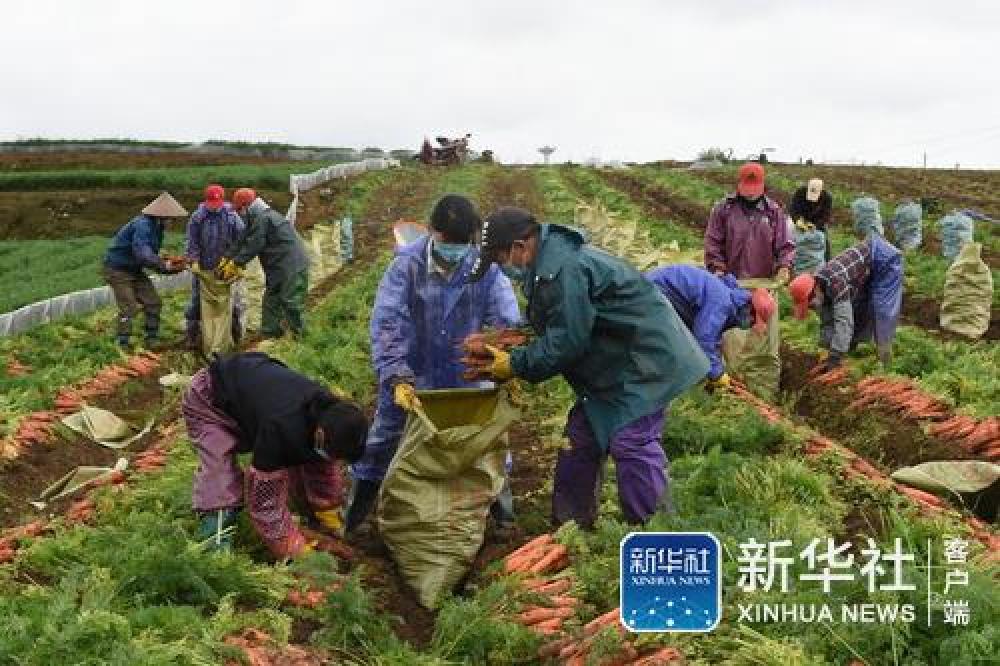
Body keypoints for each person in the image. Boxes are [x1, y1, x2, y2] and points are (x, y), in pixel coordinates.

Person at [467, 207, 709, 528]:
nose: (502, 268)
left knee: (630, 442)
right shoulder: (548, 265)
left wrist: (515, 364)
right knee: (581, 439)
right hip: (615, 362)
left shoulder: (563, 269)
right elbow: (559, 320)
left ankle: (658, 537)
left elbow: (568, 341)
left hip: (645, 361)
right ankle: (571, 530)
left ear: (520, 247)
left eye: (500, 259)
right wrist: (512, 338)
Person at [345, 194, 520, 532]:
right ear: (432, 232)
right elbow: (386, 323)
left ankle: (504, 519)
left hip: (467, 374)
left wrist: (505, 359)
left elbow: (505, 319)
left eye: (462, 242)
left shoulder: (485, 267)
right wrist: (396, 376)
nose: (454, 249)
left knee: (487, 442)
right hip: (414, 373)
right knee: (384, 439)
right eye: (446, 241)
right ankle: (355, 517)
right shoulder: (406, 265)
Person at [182, 352, 368, 557]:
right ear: (320, 434)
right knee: (220, 477)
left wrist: (328, 513)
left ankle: (311, 518)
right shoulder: (280, 428)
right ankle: (212, 549)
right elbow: (264, 504)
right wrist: (295, 550)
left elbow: (320, 467)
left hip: (251, 385)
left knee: (312, 459)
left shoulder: (329, 414)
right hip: (210, 398)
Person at [645, 264, 776, 388]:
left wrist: (714, 369)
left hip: (663, 294)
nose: (750, 325)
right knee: (663, 351)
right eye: (753, 320)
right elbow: (705, 339)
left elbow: (714, 338)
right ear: (749, 309)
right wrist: (716, 374)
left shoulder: (730, 301)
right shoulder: (721, 302)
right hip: (655, 293)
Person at [788, 235, 903, 373]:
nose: (812, 308)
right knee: (858, 306)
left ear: (814, 290)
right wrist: (825, 349)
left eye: (810, 305)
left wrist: (835, 356)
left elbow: (844, 321)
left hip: (884, 258)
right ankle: (849, 348)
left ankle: (885, 362)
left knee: (881, 310)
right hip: (867, 266)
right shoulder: (821, 287)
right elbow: (827, 320)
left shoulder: (835, 283)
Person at [218, 188, 309, 338]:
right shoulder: (256, 218)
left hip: (291, 264)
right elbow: (242, 239)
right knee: (271, 300)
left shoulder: (263, 219)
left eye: (239, 209)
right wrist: (227, 258)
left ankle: (300, 336)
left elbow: (254, 244)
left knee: (290, 300)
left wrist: (236, 263)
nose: (239, 213)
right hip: (277, 266)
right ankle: (270, 334)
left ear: (246, 206)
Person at [102, 192, 188, 348]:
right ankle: (123, 342)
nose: (172, 223)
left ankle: (151, 338)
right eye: (171, 219)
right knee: (129, 307)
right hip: (118, 270)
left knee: (153, 302)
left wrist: (168, 266)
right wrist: (165, 265)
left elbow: (151, 255)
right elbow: (143, 254)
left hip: (134, 269)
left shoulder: (157, 228)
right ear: (162, 216)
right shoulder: (143, 225)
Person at [704, 162, 795, 281]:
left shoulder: (774, 212)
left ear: (762, 186)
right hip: (728, 282)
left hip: (763, 283)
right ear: (739, 185)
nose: (751, 194)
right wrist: (717, 267)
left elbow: (785, 245)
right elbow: (713, 242)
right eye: (747, 189)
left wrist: (784, 267)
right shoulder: (723, 209)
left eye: (754, 189)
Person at [184, 184, 245, 349]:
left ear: (222, 200)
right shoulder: (198, 217)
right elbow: (192, 241)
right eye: (211, 202)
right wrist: (194, 260)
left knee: (233, 304)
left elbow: (241, 239)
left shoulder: (231, 216)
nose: (214, 206)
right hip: (204, 269)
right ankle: (192, 336)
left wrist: (236, 262)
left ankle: (236, 337)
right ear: (206, 200)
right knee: (197, 303)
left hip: (225, 268)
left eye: (217, 202)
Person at [789, 178, 834, 260]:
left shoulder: (827, 198)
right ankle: (792, 260)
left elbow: (826, 216)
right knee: (792, 239)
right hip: (802, 219)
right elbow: (793, 209)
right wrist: (797, 220)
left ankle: (827, 261)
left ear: (821, 191)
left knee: (824, 241)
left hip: (817, 221)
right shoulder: (800, 193)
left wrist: (816, 225)